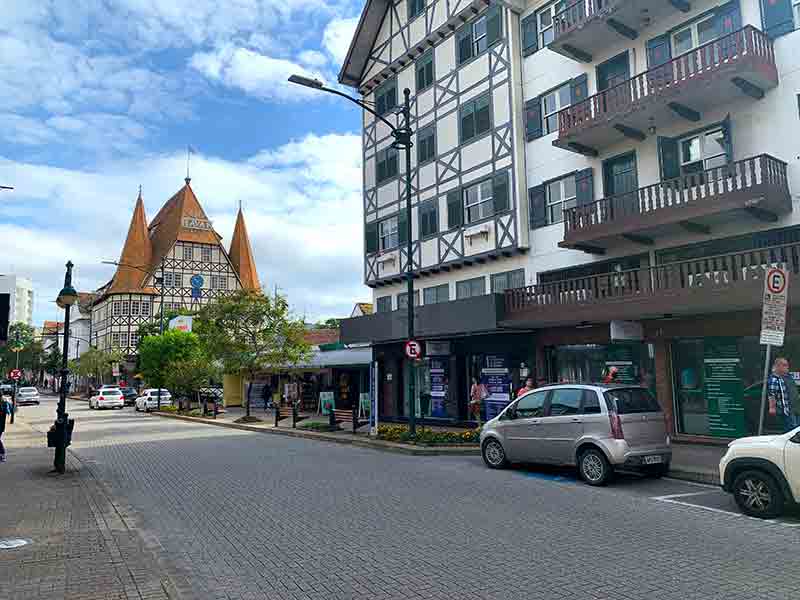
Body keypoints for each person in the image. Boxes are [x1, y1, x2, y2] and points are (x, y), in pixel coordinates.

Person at [767, 357, 800, 433]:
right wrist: (772, 407)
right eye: (785, 365)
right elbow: (771, 394)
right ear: (778, 366)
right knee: (792, 431)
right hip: (785, 411)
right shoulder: (775, 379)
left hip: (793, 409)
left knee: (794, 429)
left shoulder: (786, 377)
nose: (787, 367)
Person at [0, 392, 11, 462]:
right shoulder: (4, 402)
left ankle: (2, 454)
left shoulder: (3, 403)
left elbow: (8, 412)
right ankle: (1, 454)